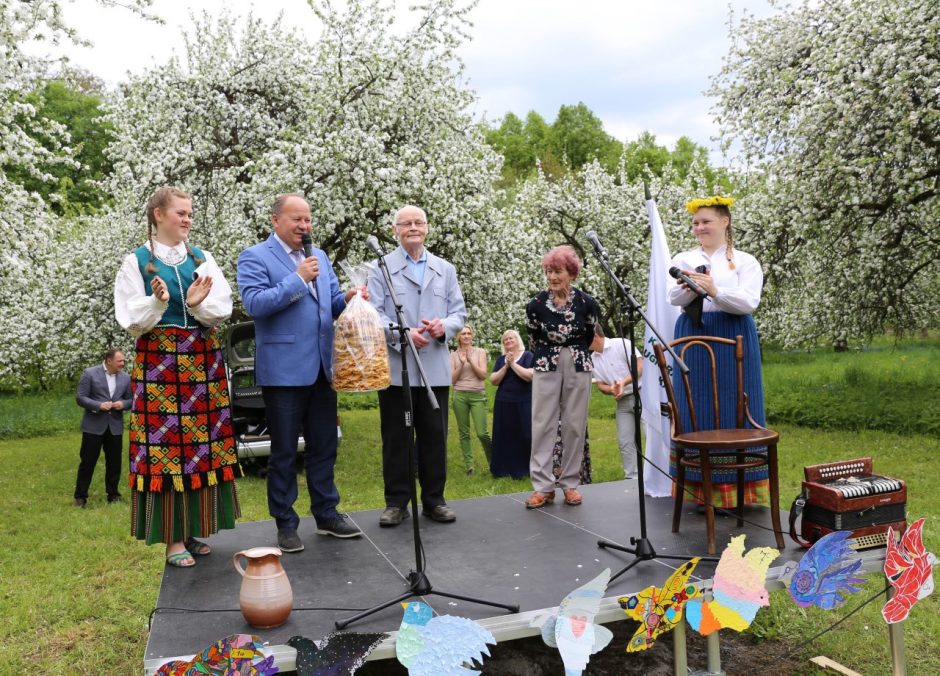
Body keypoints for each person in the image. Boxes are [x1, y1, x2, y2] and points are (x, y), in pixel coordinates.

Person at [114, 186, 241, 568]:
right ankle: (172, 540)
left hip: (203, 363)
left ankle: (192, 528)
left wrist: (197, 305)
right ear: (158, 215)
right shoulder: (136, 262)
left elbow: (222, 306)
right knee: (166, 450)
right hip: (160, 366)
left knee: (203, 446)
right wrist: (158, 302)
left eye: (189, 213)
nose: (187, 219)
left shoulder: (202, 258)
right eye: (180, 213)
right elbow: (131, 320)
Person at [237, 193, 363, 553]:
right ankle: (285, 523)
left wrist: (351, 297)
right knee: (284, 451)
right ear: (275, 220)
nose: (304, 226)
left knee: (324, 447)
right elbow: (255, 304)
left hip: (323, 369)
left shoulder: (319, 256)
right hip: (284, 373)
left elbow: (332, 304)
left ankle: (327, 514)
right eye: (297, 220)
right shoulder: (255, 257)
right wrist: (296, 278)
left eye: (308, 220)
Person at [368, 205, 467, 526]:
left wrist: (444, 328)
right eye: (406, 223)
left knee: (434, 437)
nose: (413, 227)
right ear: (394, 230)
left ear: (427, 228)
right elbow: (374, 314)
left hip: (435, 368)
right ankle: (396, 502)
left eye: (419, 222)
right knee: (397, 438)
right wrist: (402, 334)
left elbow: (458, 314)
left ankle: (434, 500)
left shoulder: (445, 269)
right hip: (397, 369)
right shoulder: (379, 267)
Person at [667, 195, 768, 508]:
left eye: (706, 221)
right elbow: (672, 298)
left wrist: (715, 291)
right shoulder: (684, 258)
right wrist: (688, 289)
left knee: (735, 401)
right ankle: (701, 493)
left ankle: (739, 492)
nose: (699, 228)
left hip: (733, 335)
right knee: (696, 405)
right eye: (696, 223)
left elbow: (748, 302)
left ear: (725, 221)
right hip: (693, 335)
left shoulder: (745, 261)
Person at [525, 245, 600, 509]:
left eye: (558, 271)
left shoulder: (587, 303)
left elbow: (590, 334)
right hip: (546, 362)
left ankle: (570, 484)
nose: (552, 277)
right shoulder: (535, 304)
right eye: (549, 271)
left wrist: (571, 352)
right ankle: (543, 487)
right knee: (542, 423)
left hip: (578, 362)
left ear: (571, 273)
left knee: (574, 425)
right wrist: (553, 354)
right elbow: (532, 337)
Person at [73, 348, 132, 507]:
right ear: (109, 360)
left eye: (123, 360)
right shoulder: (90, 373)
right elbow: (80, 397)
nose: (123, 363)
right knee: (88, 462)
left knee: (114, 463)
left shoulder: (126, 378)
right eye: (120, 360)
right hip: (93, 426)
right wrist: (98, 405)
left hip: (115, 427)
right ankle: (80, 496)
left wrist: (123, 404)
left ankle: (113, 495)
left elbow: (132, 400)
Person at [589, 324, 643, 479]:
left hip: (642, 394)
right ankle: (632, 478)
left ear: (594, 336)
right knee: (625, 442)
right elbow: (600, 385)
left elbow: (639, 367)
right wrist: (611, 389)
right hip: (623, 403)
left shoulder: (622, 344)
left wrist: (623, 383)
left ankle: (659, 476)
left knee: (651, 435)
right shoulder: (593, 358)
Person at [488, 329, 533, 480]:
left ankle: (526, 469)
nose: (508, 341)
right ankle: (503, 470)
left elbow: (529, 376)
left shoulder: (528, 356)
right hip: (504, 402)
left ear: (517, 340)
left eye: (511, 338)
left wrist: (513, 364)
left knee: (526, 434)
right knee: (505, 435)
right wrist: (506, 366)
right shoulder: (501, 360)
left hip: (524, 401)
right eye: (505, 339)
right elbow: (493, 380)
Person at [450, 324, 492, 476]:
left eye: (468, 333)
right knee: (464, 432)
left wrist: (470, 360)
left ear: (472, 336)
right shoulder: (453, 355)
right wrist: (461, 363)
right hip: (459, 395)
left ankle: (493, 462)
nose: (466, 336)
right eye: (463, 334)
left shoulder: (480, 352)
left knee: (482, 433)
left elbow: (483, 375)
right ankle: (469, 466)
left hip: (477, 395)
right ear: (458, 337)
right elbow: (453, 380)